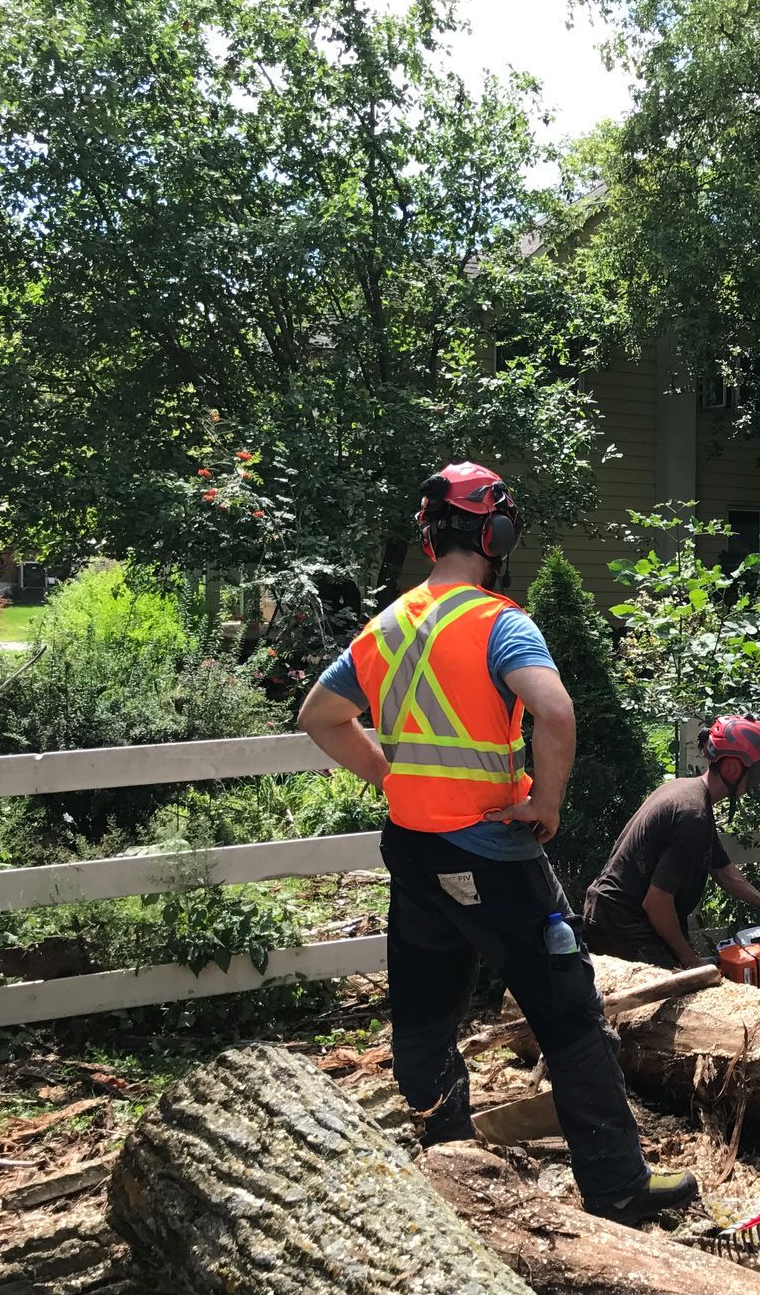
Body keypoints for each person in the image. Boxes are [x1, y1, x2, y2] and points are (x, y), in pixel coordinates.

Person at [297, 461, 696, 1225]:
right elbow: (556, 713)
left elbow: (319, 716)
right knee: (569, 1014)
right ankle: (617, 1184)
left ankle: (448, 1170)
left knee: (423, 1018)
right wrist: (546, 802)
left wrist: (389, 774)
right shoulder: (500, 623)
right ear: (498, 535)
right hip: (493, 854)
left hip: (415, 850)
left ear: (429, 537)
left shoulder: (386, 627)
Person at [585, 715, 760, 969]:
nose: (758, 780)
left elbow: (723, 871)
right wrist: (691, 963)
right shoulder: (692, 815)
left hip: (617, 918)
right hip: (622, 926)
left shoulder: (690, 795)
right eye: (757, 772)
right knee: (691, 984)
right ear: (732, 768)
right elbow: (657, 903)